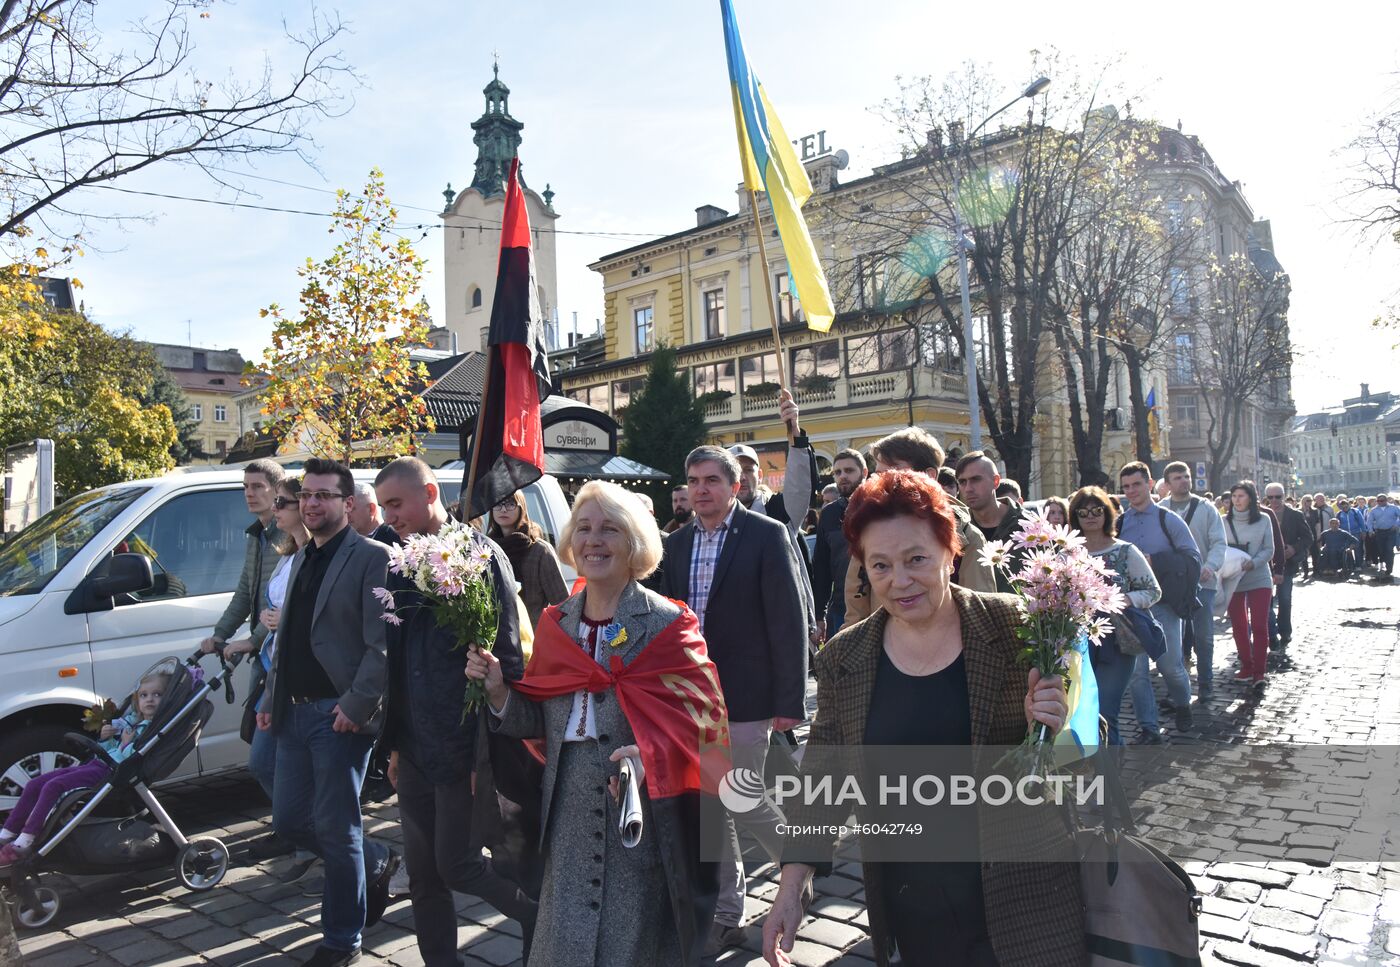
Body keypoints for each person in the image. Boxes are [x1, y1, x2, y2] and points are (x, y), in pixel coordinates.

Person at [763, 470, 1083, 967]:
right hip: (914, 905)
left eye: (916, 559)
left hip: (1024, 895)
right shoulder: (845, 657)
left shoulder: (1020, 627)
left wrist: (1050, 727)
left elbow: (1081, 760)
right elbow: (822, 779)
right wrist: (791, 887)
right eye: (881, 565)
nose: (900, 580)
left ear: (950, 554)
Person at [468, 480, 726, 966]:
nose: (593, 540)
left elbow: (705, 725)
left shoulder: (669, 623)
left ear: (634, 544)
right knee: (563, 942)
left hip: (638, 811)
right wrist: (500, 690)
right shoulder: (555, 623)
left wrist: (651, 757)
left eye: (609, 529)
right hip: (565, 807)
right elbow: (540, 720)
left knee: (630, 944)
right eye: (584, 528)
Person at [374, 458, 538, 967]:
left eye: (395, 504)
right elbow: (397, 663)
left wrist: (487, 677)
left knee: (458, 865)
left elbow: (509, 656)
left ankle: (537, 915)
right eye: (382, 506)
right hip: (417, 747)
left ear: (429, 493)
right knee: (424, 876)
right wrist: (396, 744)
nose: (389, 516)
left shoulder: (479, 556)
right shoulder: (400, 562)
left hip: (466, 747)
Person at [656, 445, 807, 955]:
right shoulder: (674, 546)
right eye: (694, 480)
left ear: (734, 485)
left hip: (747, 694)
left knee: (740, 796)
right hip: (692, 699)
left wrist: (789, 699)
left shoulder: (766, 535)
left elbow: (788, 621)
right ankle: (726, 911)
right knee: (710, 805)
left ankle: (797, 861)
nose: (702, 489)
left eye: (712, 480)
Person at [257, 458, 398, 967]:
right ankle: (375, 861)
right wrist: (270, 699)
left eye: (324, 495)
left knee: (337, 829)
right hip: (292, 712)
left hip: (338, 715)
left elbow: (381, 644)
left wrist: (357, 705)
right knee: (291, 819)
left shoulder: (372, 557)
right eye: (306, 496)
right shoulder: (300, 556)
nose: (312, 503)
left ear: (347, 503)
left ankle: (343, 940)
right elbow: (288, 636)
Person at [199, 458, 285, 858]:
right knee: (258, 739)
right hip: (264, 654)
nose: (249, 493)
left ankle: (294, 826)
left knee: (265, 752)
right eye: (245, 487)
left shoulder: (284, 536)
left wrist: (250, 640)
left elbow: (281, 601)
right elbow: (245, 593)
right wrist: (219, 634)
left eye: (257, 486)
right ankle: (291, 823)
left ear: (276, 489)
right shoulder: (256, 536)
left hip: (274, 652)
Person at [0, 671, 169, 865]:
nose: (150, 700)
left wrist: (124, 744)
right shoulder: (131, 721)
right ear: (137, 700)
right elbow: (109, 749)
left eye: (157, 695)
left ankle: (24, 842)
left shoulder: (153, 730)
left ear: (167, 700)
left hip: (110, 772)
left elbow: (132, 759)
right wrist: (106, 738)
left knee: (53, 787)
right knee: (35, 784)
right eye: (144, 695)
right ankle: (6, 833)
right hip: (97, 763)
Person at [1070, 486, 1160, 745]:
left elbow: (1153, 591)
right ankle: (1101, 774)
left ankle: (1111, 781)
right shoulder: (1067, 553)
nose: (1090, 516)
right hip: (1077, 644)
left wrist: (1126, 599)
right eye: (1083, 511)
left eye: (1097, 510)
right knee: (1081, 713)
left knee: (1104, 713)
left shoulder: (1125, 551)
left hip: (1117, 642)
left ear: (1106, 513)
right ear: (1074, 516)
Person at [1117, 461, 1197, 742]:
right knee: (1137, 674)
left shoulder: (1168, 519)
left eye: (1136, 484)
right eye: (1126, 487)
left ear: (1149, 484)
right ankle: (1148, 727)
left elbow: (1192, 559)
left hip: (1164, 604)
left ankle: (1182, 702)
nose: (1131, 491)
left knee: (1170, 667)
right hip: (1133, 608)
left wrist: (1157, 562)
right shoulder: (1120, 523)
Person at [1162, 461, 1226, 698]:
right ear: (1168, 483)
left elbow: (1219, 542)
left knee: (1204, 636)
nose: (1184, 481)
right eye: (1177, 478)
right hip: (1171, 584)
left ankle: (1206, 683)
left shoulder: (1206, 508)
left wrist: (1210, 566)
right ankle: (1177, 689)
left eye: (1186, 476)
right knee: (1172, 639)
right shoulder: (1161, 509)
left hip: (1202, 582)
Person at [488, 489, 569, 629]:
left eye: (510, 504)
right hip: (498, 635)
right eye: (498, 504)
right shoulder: (487, 549)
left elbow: (562, 605)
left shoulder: (539, 550)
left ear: (522, 507)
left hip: (533, 636)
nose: (503, 509)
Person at [811, 447, 867, 641]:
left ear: (864, 473)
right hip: (840, 609)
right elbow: (822, 568)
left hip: (877, 603)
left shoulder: (880, 508)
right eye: (837, 472)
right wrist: (819, 614)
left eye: (849, 471)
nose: (843, 476)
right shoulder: (828, 514)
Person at [1223, 482, 1275, 688]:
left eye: (1241, 496)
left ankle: (1260, 672)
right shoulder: (1222, 521)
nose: (1236, 499)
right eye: (1234, 495)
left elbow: (1269, 549)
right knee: (1239, 626)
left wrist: (1253, 562)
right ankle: (1246, 666)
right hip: (1233, 579)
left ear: (1251, 499)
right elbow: (1218, 548)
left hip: (1259, 577)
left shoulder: (1264, 520)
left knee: (1260, 625)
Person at [955, 451, 1031, 593]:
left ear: (996, 481)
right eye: (962, 482)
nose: (968, 489)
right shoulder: (958, 529)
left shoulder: (1030, 526)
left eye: (976, 479)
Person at [1264, 483, 1311, 649]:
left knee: (1284, 598)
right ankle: (1270, 631)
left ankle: (1285, 631)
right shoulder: (1262, 514)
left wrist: (1294, 548)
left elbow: (1307, 538)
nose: (1274, 500)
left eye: (1278, 496)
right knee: (1266, 602)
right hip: (1266, 565)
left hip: (1287, 563)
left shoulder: (1295, 515)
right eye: (1270, 497)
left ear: (1284, 496)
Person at [1366, 493, 1398, 580]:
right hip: (1379, 532)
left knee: (1389, 549)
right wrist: (1370, 530)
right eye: (1378, 501)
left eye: (1382, 500)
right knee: (1381, 550)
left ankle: (1389, 568)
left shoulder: (1394, 508)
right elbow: (1369, 521)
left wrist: (1396, 524)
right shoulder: (1373, 510)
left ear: (1386, 500)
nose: (1380, 502)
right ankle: (1383, 563)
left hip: (1391, 531)